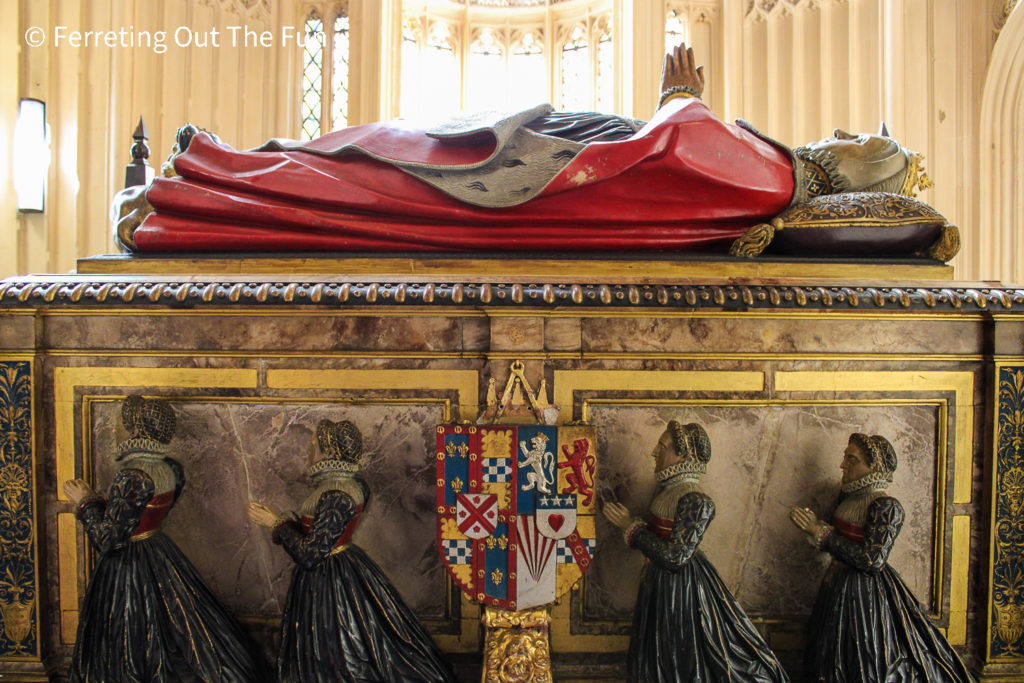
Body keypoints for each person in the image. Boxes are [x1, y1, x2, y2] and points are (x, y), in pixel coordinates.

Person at [124, 44, 929, 254]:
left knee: (360, 175)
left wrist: (681, 99)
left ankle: (194, 191)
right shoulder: (774, 169)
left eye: (859, 142)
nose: (842, 132)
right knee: (358, 157)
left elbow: (682, 146)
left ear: (855, 173)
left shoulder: (777, 173)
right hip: (546, 168)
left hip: (531, 185)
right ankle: (208, 177)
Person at [62, 395, 269, 683]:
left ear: (136, 428)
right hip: (157, 551)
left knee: (131, 638)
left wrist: (85, 502)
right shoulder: (170, 468)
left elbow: (108, 539)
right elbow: (144, 513)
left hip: (128, 566)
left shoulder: (131, 475)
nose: (116, 428)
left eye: (122, 423)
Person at [247, 419, 456, 683]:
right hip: (340, 568)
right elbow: (323, 531)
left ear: (329, 452)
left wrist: (276, 524)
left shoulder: (337, 493)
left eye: (313, 446)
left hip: (329, 581)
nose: (309, 452)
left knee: (339, 650)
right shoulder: (349, 484)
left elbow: (311, 554)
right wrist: (291, 523)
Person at [603, 421, 789, 682]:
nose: (655, 452)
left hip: (681, 590)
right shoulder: (669, 491)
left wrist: (631, 528)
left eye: (663, 447)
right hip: (660, 583)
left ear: (684, 455)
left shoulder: (695, 499)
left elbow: (676, 556)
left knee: (677, 652)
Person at [789, 434, 974, 682]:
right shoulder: (848, 496)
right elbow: (838, 537)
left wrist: (821, 533)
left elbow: (872, 560)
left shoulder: (886, 506)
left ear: (872, 466)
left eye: (851, 459)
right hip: (837, 583)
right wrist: (815, 529)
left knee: (863, 657)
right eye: (845, 457)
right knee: (827, 651)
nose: (843, 465)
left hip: (865, 595)